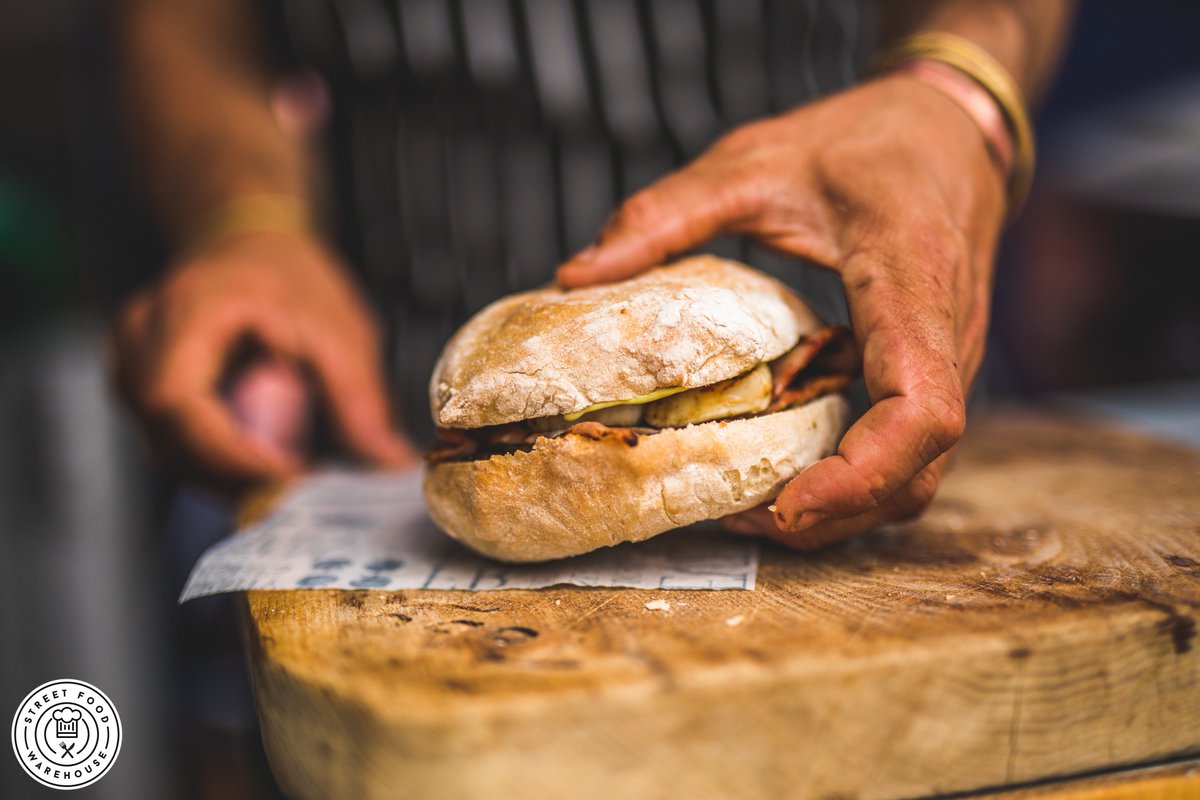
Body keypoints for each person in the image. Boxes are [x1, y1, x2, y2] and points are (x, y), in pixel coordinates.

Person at [112, 0, 1074, 550]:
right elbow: (190, 27)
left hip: (862, 319)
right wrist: (247, 217)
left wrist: (957, 90)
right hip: (400, 394)